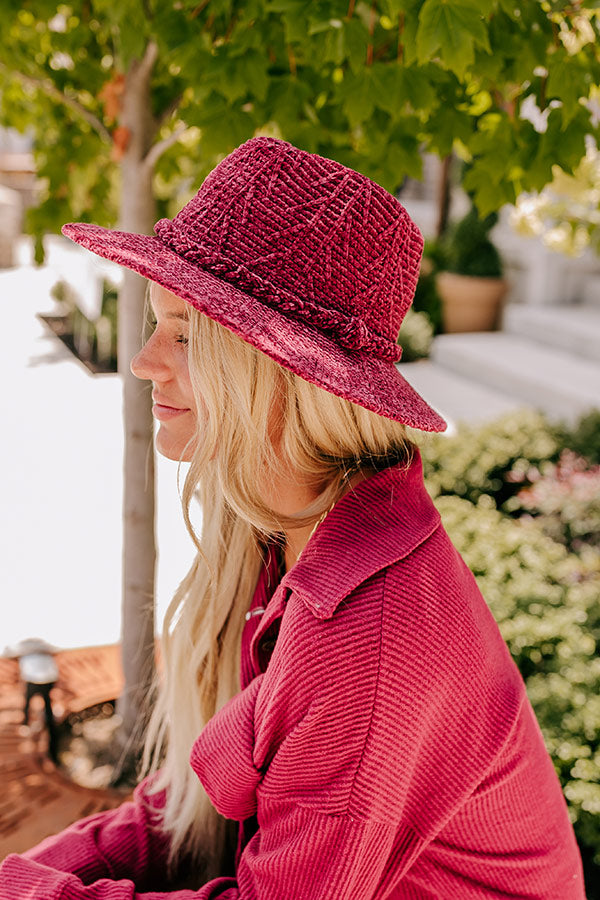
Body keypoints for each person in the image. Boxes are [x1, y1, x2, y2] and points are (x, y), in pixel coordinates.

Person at [0, 137, 585, 898]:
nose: (144, 361)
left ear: (279, 374)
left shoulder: (367, 641)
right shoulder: (288, 525)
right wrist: (34, 873)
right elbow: (191, 806)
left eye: (184, 334)